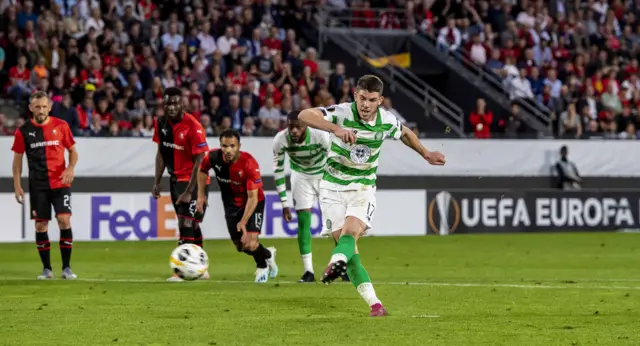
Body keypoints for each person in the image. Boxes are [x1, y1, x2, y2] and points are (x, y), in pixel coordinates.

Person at [298, 75, 446, 316]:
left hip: (362, 187)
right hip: (331, 188)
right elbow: (304, 115)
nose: (366, 105)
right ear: (355, 95)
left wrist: (426, 153)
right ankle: (375, 304)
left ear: (380, 100)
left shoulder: (386, 121)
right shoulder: (342, 112)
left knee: (352, 233)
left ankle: (335, 263)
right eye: (362, 98)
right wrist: (335, 128)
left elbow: (405, 133)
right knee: (351, 255)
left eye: (372, 100)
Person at [11, 91, 79, 280]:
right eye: (37, 107)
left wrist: (71, 168)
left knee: (64, 220)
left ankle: (66, 268)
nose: (41, 110)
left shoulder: (61, 126)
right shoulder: (23, 131)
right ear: (31, 108)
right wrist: (17, 186)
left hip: (60, 182)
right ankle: (47, 269)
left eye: (44, 106)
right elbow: (17, 162)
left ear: (49, 107)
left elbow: (73, 151)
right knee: (41, 226)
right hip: (38, 185)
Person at [196, 129, 278, 283]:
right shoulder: (213, 157)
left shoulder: (249, 164)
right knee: (241, 247)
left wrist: (244, 221)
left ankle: (262, 267)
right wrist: (201, 195)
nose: (228, 150)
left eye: (232, 146)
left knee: (251, 243)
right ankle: (268, 254)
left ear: (239, 146)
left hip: (254, 203)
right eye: (224, 146)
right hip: (231, 205)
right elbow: (202, 170)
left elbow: (253, 198)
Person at [273, 110, 345, 283]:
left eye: (298, 127)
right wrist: (284, 203)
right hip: (301, 177)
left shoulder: (319, 135)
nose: (294, 132)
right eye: (291, 128)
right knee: (304, 222)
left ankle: (342, 267)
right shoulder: (280, 140)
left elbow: (334, 157)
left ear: (305, 125)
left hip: (323, 174)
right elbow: (278, 171)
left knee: (335, 221)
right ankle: (308, 272)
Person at [151, 87, 211, 282]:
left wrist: (189, 191)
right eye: (168, 103)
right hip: (175, 179)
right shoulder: (160, 124)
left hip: (196, 181)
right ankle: (201, 269)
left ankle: (182, 272)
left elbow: (200, 161)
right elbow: (161, 153)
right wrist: (157, 182)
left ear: (182, 104)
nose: (171, 107)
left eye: (175, 103)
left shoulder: (193, 127)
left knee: (186, 222)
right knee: (191, 225)